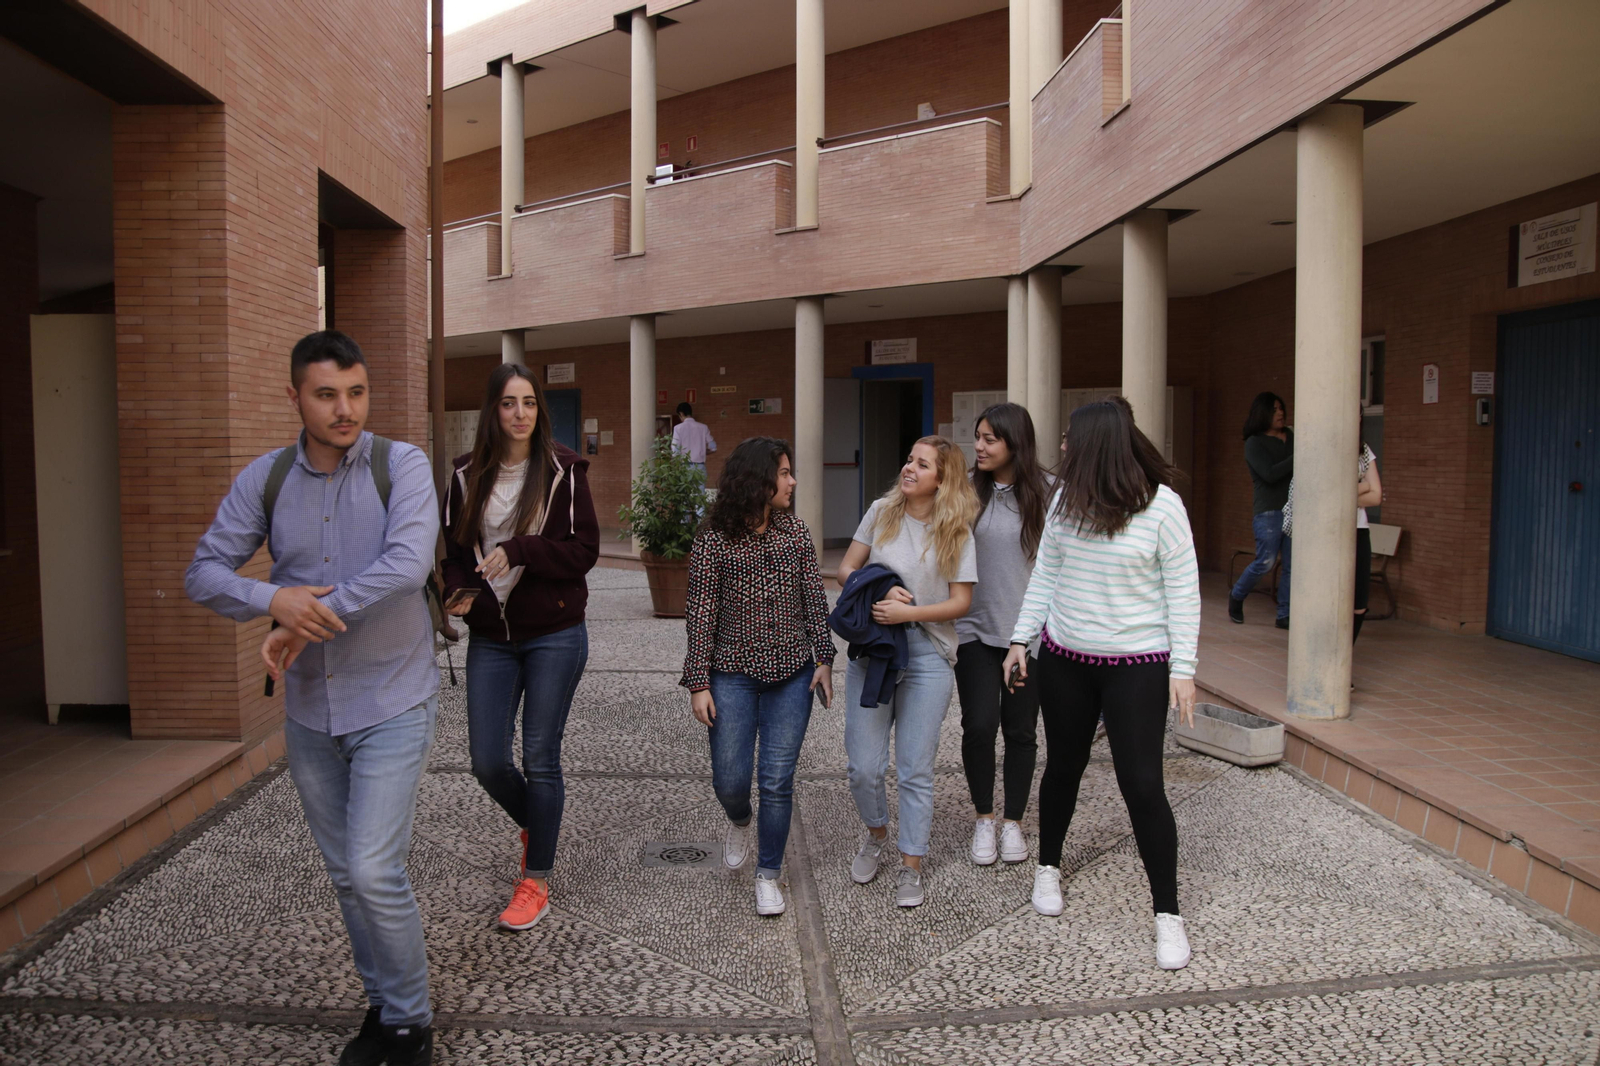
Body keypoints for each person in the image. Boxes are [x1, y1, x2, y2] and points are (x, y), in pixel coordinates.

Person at [185, 330, 440, 1065]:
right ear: (294, 396)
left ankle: (410, 1024)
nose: (345, 409)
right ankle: (384, 1005)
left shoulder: (403, 465)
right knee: (344, 875)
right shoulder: (265, 481)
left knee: (372, 868)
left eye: (356, 392)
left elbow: (405, 564)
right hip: (308, 711)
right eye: (327, 394)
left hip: (392, 698)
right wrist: (273, 599)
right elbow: (204, 571)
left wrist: (308, 617)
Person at [1003, 399, 1199, 971]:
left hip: (1138, 667)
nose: (1061, 447)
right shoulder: (1065, 503)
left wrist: (1182, 670)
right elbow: (1046, 575)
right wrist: (1021, 640)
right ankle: (1048, 867)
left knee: (1142, 784)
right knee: (1063, 767)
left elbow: (1184, 595)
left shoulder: (1164, 509)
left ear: (1096, 445)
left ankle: (1168, 916)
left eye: (1069, 439)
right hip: (1066, 661)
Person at [440, 362, 599, 933]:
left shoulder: (563, 469)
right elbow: (455, 551)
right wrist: (457, 590)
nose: (519, 414)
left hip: (555, 633)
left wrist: (524, 548)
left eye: (528, 403)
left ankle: (536, 879)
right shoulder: (464, 475)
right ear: (493, 410)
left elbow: (584, 552)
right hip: (492, 634)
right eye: (508, 403)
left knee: (540, 757)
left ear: (540, 409)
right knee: (487, 761)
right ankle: (540, 825)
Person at [680, 437, 835, 916]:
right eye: (784, 473)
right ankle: (739, 819)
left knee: (776, 779)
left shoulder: (795, 532)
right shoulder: (714, 538)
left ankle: (768, 874)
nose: (792, 482)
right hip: (732, 674)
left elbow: (813, 596)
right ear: (758, 480)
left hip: (793, 674)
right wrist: (698, 682)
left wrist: (825, 657)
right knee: (729, 780)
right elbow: (701, 611)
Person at [837, 436, 978, 908]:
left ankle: (911, 863)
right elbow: (845, 570)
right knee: (864, 767)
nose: (909, 468)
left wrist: (910, 614)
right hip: (875, 651)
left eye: (923, 464)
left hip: (928, 655)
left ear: (943, 478)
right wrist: (881, 595)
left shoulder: (955, 528)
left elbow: (961, 602)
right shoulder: (881, 511)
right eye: (909, 459)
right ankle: (876, 833)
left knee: (916, 769)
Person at [955, 403, 1049, 867]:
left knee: (1019, 730)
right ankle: (984, 819)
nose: (980, 446)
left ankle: (1012, 822)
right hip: (974, 630)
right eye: (978, 437)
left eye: (990, 438)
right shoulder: (969, 493)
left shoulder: (1049, 494)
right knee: (978, 727)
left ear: (1016, 442)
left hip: (1026, 637)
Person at [1228, 392, 1293, 629]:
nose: (1280, 413)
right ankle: (1237, 595)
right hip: (1269, 512)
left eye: (1281, 408)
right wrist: (1300, 457)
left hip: (1297, 510)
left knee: (1292, 565)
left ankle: (1284, 614)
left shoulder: (1293, 436)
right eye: (1274, 409)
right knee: (1265, 562)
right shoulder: (1254, 443)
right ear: (1263, 413)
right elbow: (1270, 474)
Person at [671, 402, 717, 479]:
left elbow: (675, 450)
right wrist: (702, 451)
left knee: (685, 490)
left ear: (681, 414)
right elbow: (713, 447)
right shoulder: (703, 427)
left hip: (684, 466)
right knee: (699, 490)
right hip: (700, 467)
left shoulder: (678, 428)